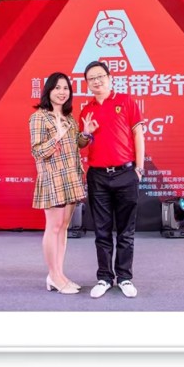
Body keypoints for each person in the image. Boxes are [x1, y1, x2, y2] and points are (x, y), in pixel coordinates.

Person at [77, 61, 145, 298]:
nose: (97, 81)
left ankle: (124, 277)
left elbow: (138, 134)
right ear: (87, 84)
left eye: (100, 76)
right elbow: (81, 144)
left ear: (109, 77)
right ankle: (104, 278)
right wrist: (86, 133)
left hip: (126, 173)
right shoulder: (86, 110)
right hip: (98, 176)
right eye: (91, 78)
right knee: (102, 231)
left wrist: (139, 169)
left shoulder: (126, 101)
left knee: (126, 231)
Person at [29, 72, 86, 295]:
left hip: (71, 176)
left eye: (66, 88)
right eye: (57, 88)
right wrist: (57, 136)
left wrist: (87, 134)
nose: (62, 92)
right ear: (48, 91)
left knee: (63, 228)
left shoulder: (69, 118)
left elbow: (77, 144)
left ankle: (59, 274)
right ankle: (53, 275)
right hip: (52, 177)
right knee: (53, 227)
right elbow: (37, 151)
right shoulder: (39, 117)